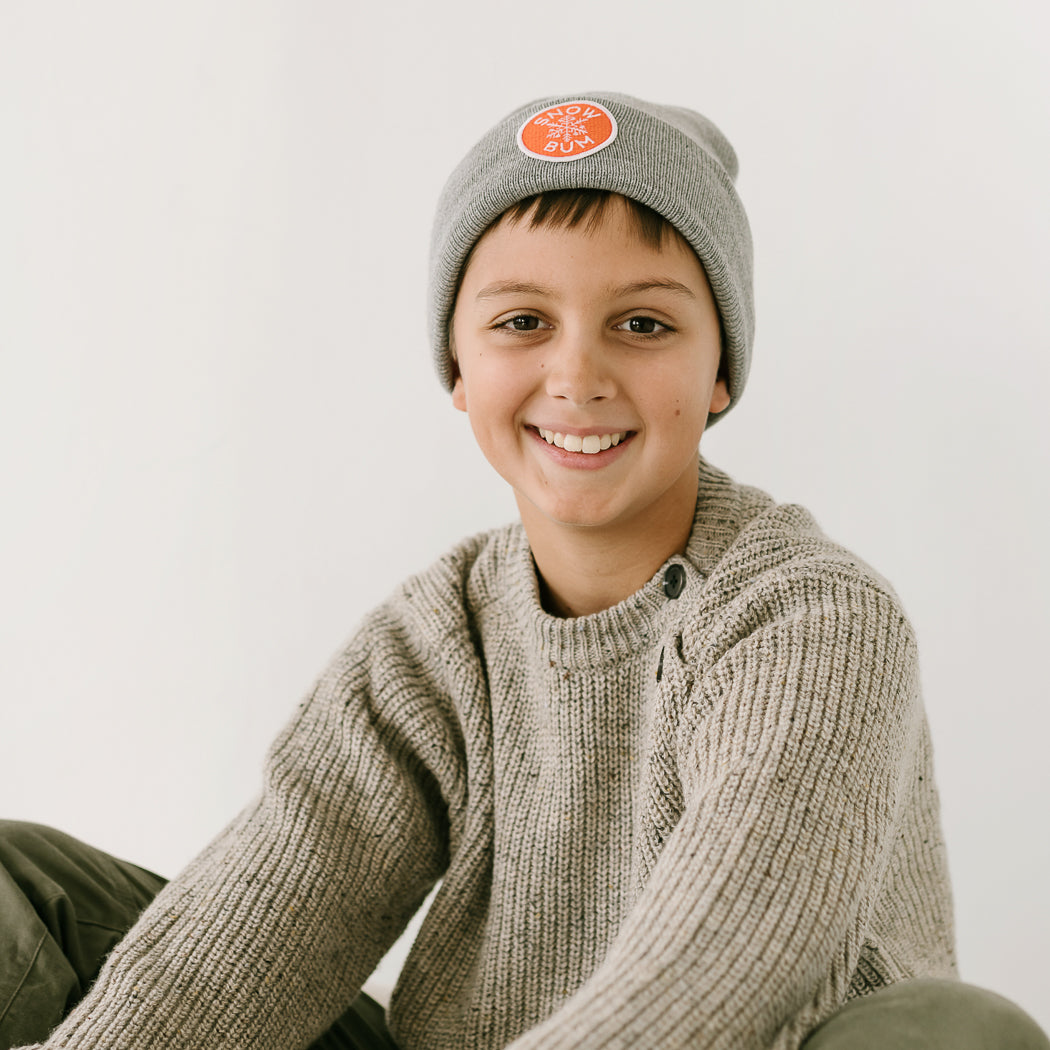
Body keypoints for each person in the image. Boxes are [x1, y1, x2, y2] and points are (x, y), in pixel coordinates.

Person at [1, 92, 1046, 1050]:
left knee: (960, 1034)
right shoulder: (438, 638)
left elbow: (728, 964)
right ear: (458, 366)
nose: (578, 374)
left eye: (644, 324)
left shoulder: (810, 619)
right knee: (20, 889)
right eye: (520, 323)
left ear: (720, 369)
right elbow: (252, 931)